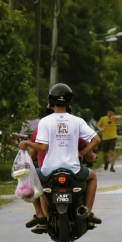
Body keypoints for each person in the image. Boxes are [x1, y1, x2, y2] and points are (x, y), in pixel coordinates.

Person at [19, 83, 101, 232]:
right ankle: (87, 212)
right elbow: (96, 139)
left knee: (30, 177)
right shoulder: (77, 121)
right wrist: (82, 153)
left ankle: (39, 213)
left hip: (48, 170)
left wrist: (26, 143)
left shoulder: (44, 122)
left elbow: (42, 148)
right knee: (93, 177)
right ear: (69, 102)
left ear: (51, 102)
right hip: (73, 170)